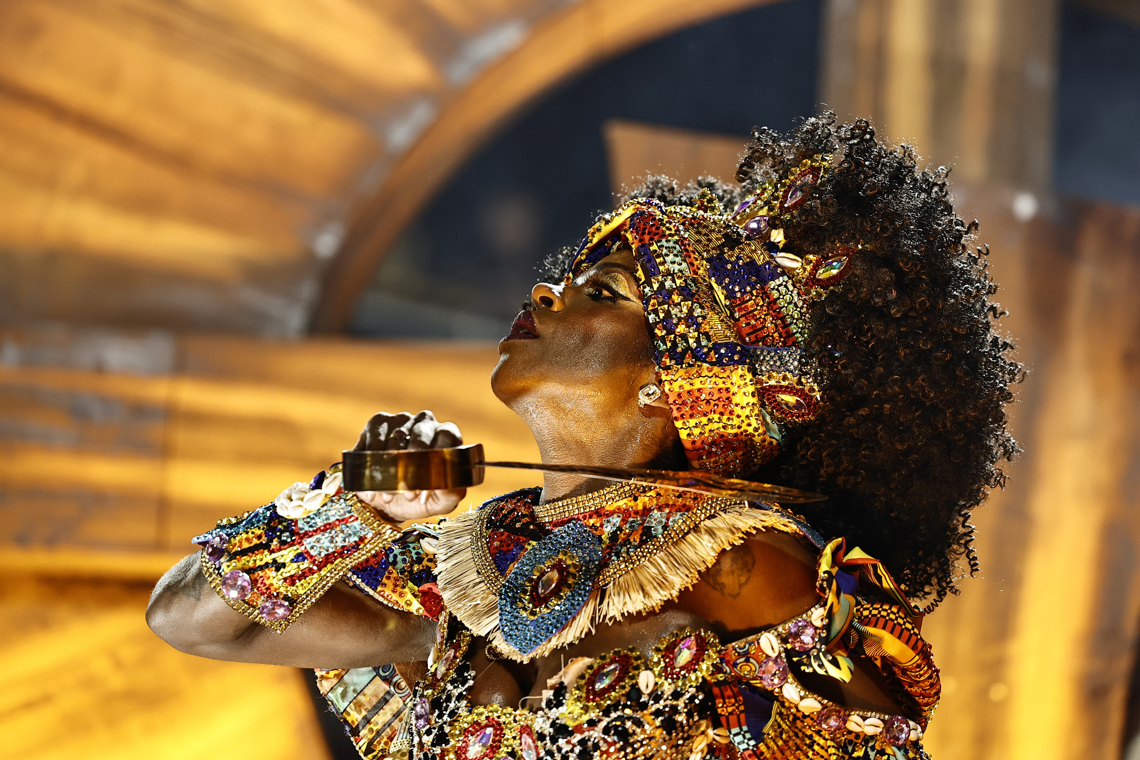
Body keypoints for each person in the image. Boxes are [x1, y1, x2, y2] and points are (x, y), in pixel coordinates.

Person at [147, 115, 1020, 759]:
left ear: (675, 385)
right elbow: (194, 621)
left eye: (603, 293)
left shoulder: (745, 566)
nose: (547, 293)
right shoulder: (465, 572)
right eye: (569, 281)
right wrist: (354, 505)